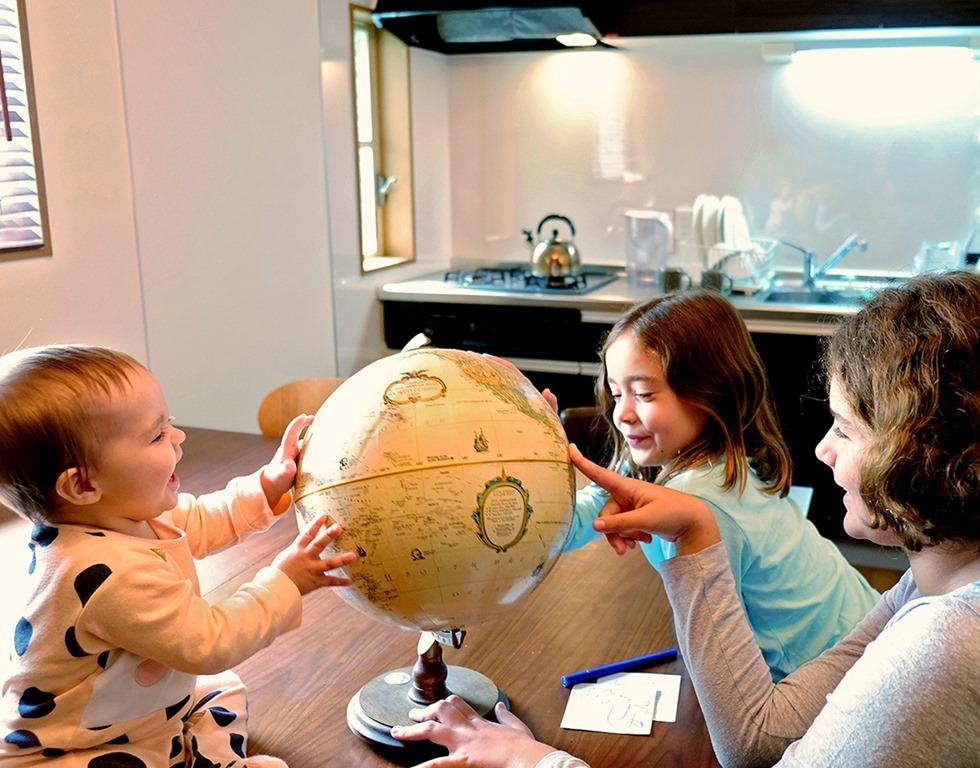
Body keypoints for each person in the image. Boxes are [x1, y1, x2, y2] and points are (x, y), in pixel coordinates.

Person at [391, 270, 980, 767]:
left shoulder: (938, 651)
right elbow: (587, 513)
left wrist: (534, 760)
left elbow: (750, 743)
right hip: (846, 640)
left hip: (800, 679)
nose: (823, 451)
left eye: (845, 428)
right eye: (613, 391)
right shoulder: (923, 584)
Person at [0, 345, 358, 768]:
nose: (178, 435)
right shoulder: (105, 573)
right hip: (70, 746)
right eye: (156, 435)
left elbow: (206, 518)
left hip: (131, 711)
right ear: (82, 486)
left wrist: (266, 486)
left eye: (167, 423)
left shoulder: (129, 514)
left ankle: (191, 753)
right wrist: (285, 580)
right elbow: (208, 642)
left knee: (221, 688)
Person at [561, 290, 877, 680]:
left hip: (826, 676)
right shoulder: (723, 453)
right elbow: (585, 511)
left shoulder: (691, 507)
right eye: (615, 393)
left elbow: (725, 669)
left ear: (709, 392)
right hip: (868, 624)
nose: (622, 412)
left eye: (642, 394)